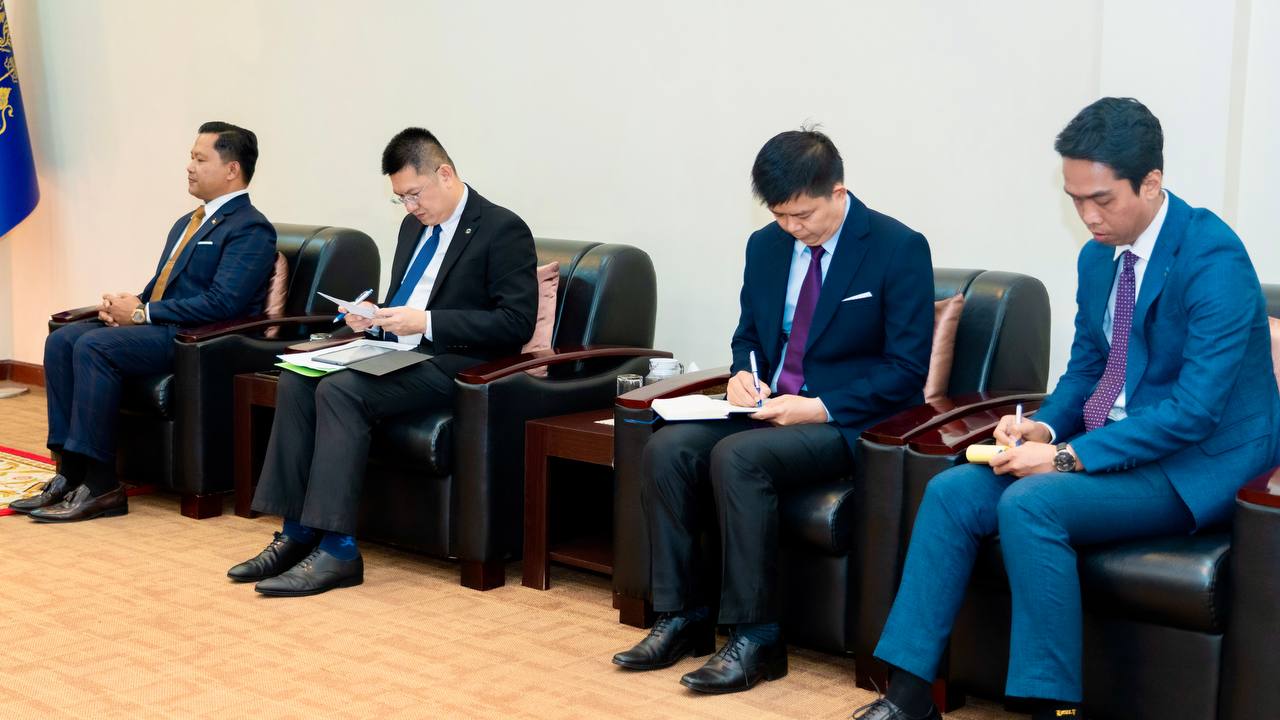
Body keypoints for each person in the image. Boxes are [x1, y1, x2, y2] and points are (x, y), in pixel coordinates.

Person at [855, 98, 1280, 720]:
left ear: (1151, 182)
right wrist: (1043, 424)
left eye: (1101, 200)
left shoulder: (1214, 259)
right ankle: (910, 694)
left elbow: (1194, 411)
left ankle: (1054, 710)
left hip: (1194, 463)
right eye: (1075, 199)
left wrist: (1063, 456)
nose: (1087, 217)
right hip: (1115, 443)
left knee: (1032, 502)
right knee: (950, 493)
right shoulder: (1097, 257)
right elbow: (1088, 369)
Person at [612, 128, 934, 693]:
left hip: (847, 420)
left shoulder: (897, 247)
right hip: (766, 408)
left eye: (802, 215)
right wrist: (743, 374)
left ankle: (758, 637)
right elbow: (748, 335)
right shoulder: (765, 246)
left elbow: (906, 369)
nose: (792, 228)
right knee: (667, 448)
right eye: (780, 215)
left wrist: (819, 407)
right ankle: (683, 616)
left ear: (838, 192)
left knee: (739, 459)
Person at [229, 127, 538, 597]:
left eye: (414, 194)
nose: (410, 207)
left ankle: (339, 552)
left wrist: (427, 322)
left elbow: (515, 323)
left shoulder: (502, 229)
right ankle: (295, 533)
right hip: (396, 351)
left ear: (445, 174)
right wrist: (372, 318)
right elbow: (405, 301)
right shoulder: (412, 228)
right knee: (297, 378)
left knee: (341, 391)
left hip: (454, 363)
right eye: (401, 198)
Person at [11, 122, 276, 522]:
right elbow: (163, 287)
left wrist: (142, 314)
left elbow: (224, 302)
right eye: (190, 157)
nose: (189, 166)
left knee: (94, 346)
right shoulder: (189, 222)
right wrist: (128, 305)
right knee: (62, 340)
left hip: (196, 340)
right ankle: (70, 472)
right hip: (160, 326)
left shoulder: (250, 228)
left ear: (232, 169)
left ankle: (102, 485)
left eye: (200, 159)